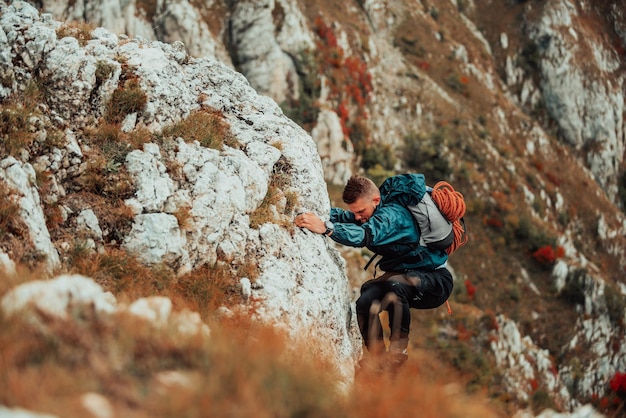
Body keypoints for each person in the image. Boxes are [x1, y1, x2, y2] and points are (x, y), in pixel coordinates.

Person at [294, 174, 453, 373]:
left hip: (434, 281)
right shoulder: (372, 211)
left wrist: (326, 228)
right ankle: (378, 361)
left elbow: (365, 235)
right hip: (407, 276)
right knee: (365, 300)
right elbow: (347, 217)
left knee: (396, 286)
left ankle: (397, 353)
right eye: (356, 212)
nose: (359, 217)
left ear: (376, 200)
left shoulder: (392, 216)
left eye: (361, 211)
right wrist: (315, 211)